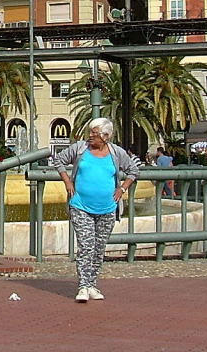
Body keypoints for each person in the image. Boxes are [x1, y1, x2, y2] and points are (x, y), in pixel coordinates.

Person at [50, 117, 141, 303]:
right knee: (86, 246)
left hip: (107, 208)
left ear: (106, 136)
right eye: (90, 132)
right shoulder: (80, 149)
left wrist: (122, 188)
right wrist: (67, 181)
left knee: (99, 249)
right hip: (80, 206)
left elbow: (133, 170)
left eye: (95, 132)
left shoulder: (116, 153)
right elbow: (58, 160)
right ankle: (83, 286)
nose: (91, 136)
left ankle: (92, 284)